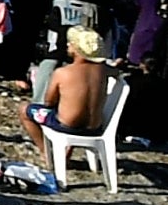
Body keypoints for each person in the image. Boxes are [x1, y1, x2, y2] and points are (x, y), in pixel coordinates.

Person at [22, 25, 112, 154]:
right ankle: (67, 150)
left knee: (24, 110)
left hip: (66, 126)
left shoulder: (63, 73)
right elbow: (115, 72)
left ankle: (46, 153)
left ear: (77, 50)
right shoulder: (104, 71)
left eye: (71, 43)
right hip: (95, 128)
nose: (68, 45)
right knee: (77, 110)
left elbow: (48, 102)